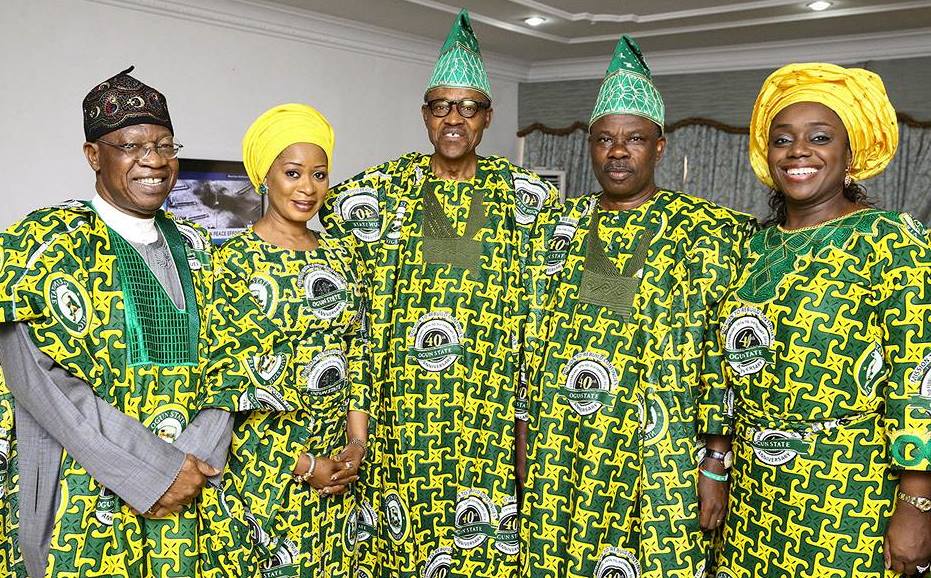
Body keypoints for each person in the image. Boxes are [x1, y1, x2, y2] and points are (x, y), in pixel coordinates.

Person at [0, 67, 282, 578]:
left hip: (197, 493)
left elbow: (235, 357)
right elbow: (40, 383)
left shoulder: (200, 247)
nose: (153, 161)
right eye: (131, 146)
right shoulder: (43, 243)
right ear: (93, 155)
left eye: (165, 146)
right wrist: (152, 471)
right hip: (87, 493)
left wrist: (189, 465)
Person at [320, 9, 558, 578]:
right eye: (441, 106)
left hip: (492, 418)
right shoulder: (378, 193)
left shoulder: (527, 200)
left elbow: (548, 311)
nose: (454, 119)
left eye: (468, 107)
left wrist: (530, 425)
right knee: (402, 551)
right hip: (403, 419)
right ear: (425, 115)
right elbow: (303, 229)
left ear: (487, 117)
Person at [520, 36, 756, 578]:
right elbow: (529, 344)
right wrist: (524, 439)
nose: (617, 152)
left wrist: (716, 463)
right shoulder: (554, 231)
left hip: (663, 452)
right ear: (590, 147)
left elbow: (728, 355)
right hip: (565, 450)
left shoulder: (709, 231)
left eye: (633, 139)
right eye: (604, 140)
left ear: (660, 147)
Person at [713, 63, 931, 578]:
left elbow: (920, 371)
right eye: (782, 139)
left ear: (851, 154)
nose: (797, 150)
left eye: (820, 137)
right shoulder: (752, 245)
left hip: (849, 488)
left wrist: (918, 504)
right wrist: (716, 467)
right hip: (752, 492)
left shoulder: (887, 238)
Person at [209, 103, 371, 577]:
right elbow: (226, 390)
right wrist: (304, 466)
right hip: (268, 474)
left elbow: (356, 349)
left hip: (340, 474)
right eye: (293, 173)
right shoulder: (235, 261)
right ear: (265, 176)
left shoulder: (343, 255)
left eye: (319, 175)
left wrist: (355, 447)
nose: (308, 188)